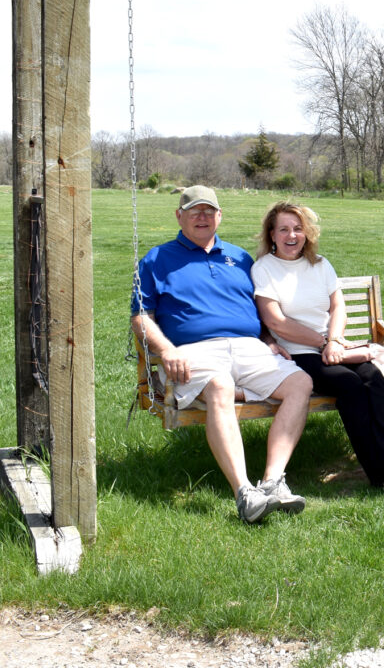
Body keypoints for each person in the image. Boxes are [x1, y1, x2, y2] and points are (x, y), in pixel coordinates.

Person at [131, 186, 313, 523]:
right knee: (220, 386)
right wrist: (167, 350)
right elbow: (141, 318)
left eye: (209, 211)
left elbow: (258, 309)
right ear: (179, 216)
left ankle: (273, 482)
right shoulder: (156, 260)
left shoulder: (240, 258)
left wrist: (268, 339)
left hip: (249, 347)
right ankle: (246, 494)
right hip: (192, 351)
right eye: (194, 211)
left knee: (300, 383)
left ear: (219, 216)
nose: (202, 217)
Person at [251, 201, 384, 494]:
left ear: (307, 233)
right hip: (298, 354)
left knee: (371, 376)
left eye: (298, 228)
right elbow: (276, 322)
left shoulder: (320, 264)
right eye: (283, 229)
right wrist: (324, 343)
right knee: (349, 384)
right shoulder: (264, 269)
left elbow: (338, 306)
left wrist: (335, 340)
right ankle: (381, 474)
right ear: (271, 234)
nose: (292, 235)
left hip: (334, 346)